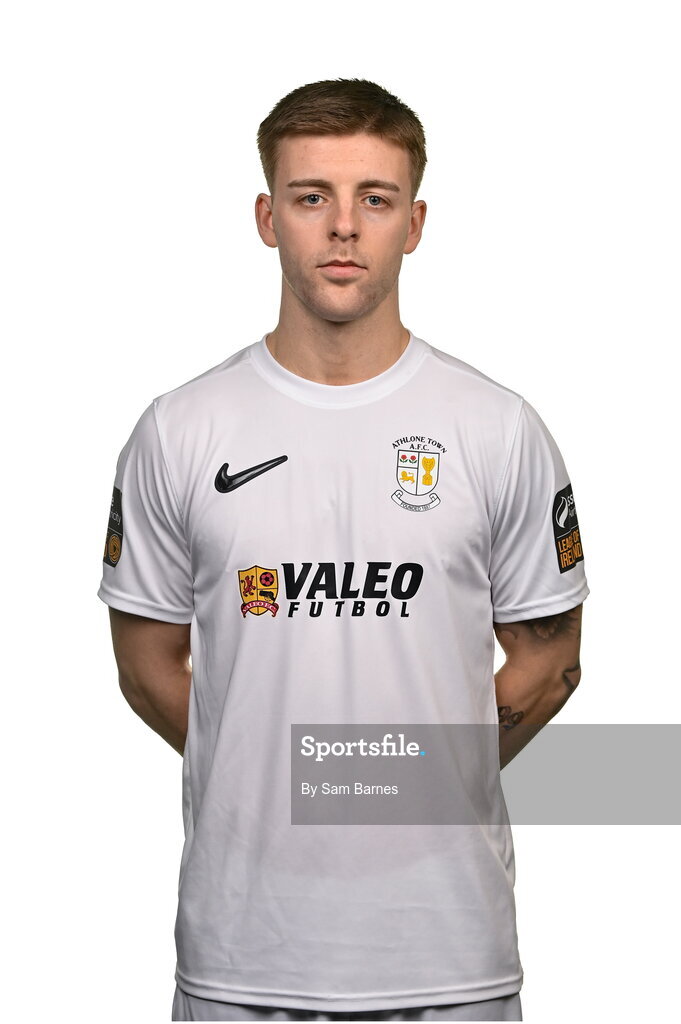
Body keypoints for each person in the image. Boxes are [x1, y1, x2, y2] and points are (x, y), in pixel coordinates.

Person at [98, 78, 589, 1022]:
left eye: (375, 198)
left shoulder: (496, 428)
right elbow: (149, 666)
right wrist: (265, 772)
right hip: (242, 958)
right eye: (310, 196)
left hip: (448, 958)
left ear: (413, 223)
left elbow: (548, 662)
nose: (342, 228)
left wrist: (388, 779)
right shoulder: (177, 430)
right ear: (265, 216)